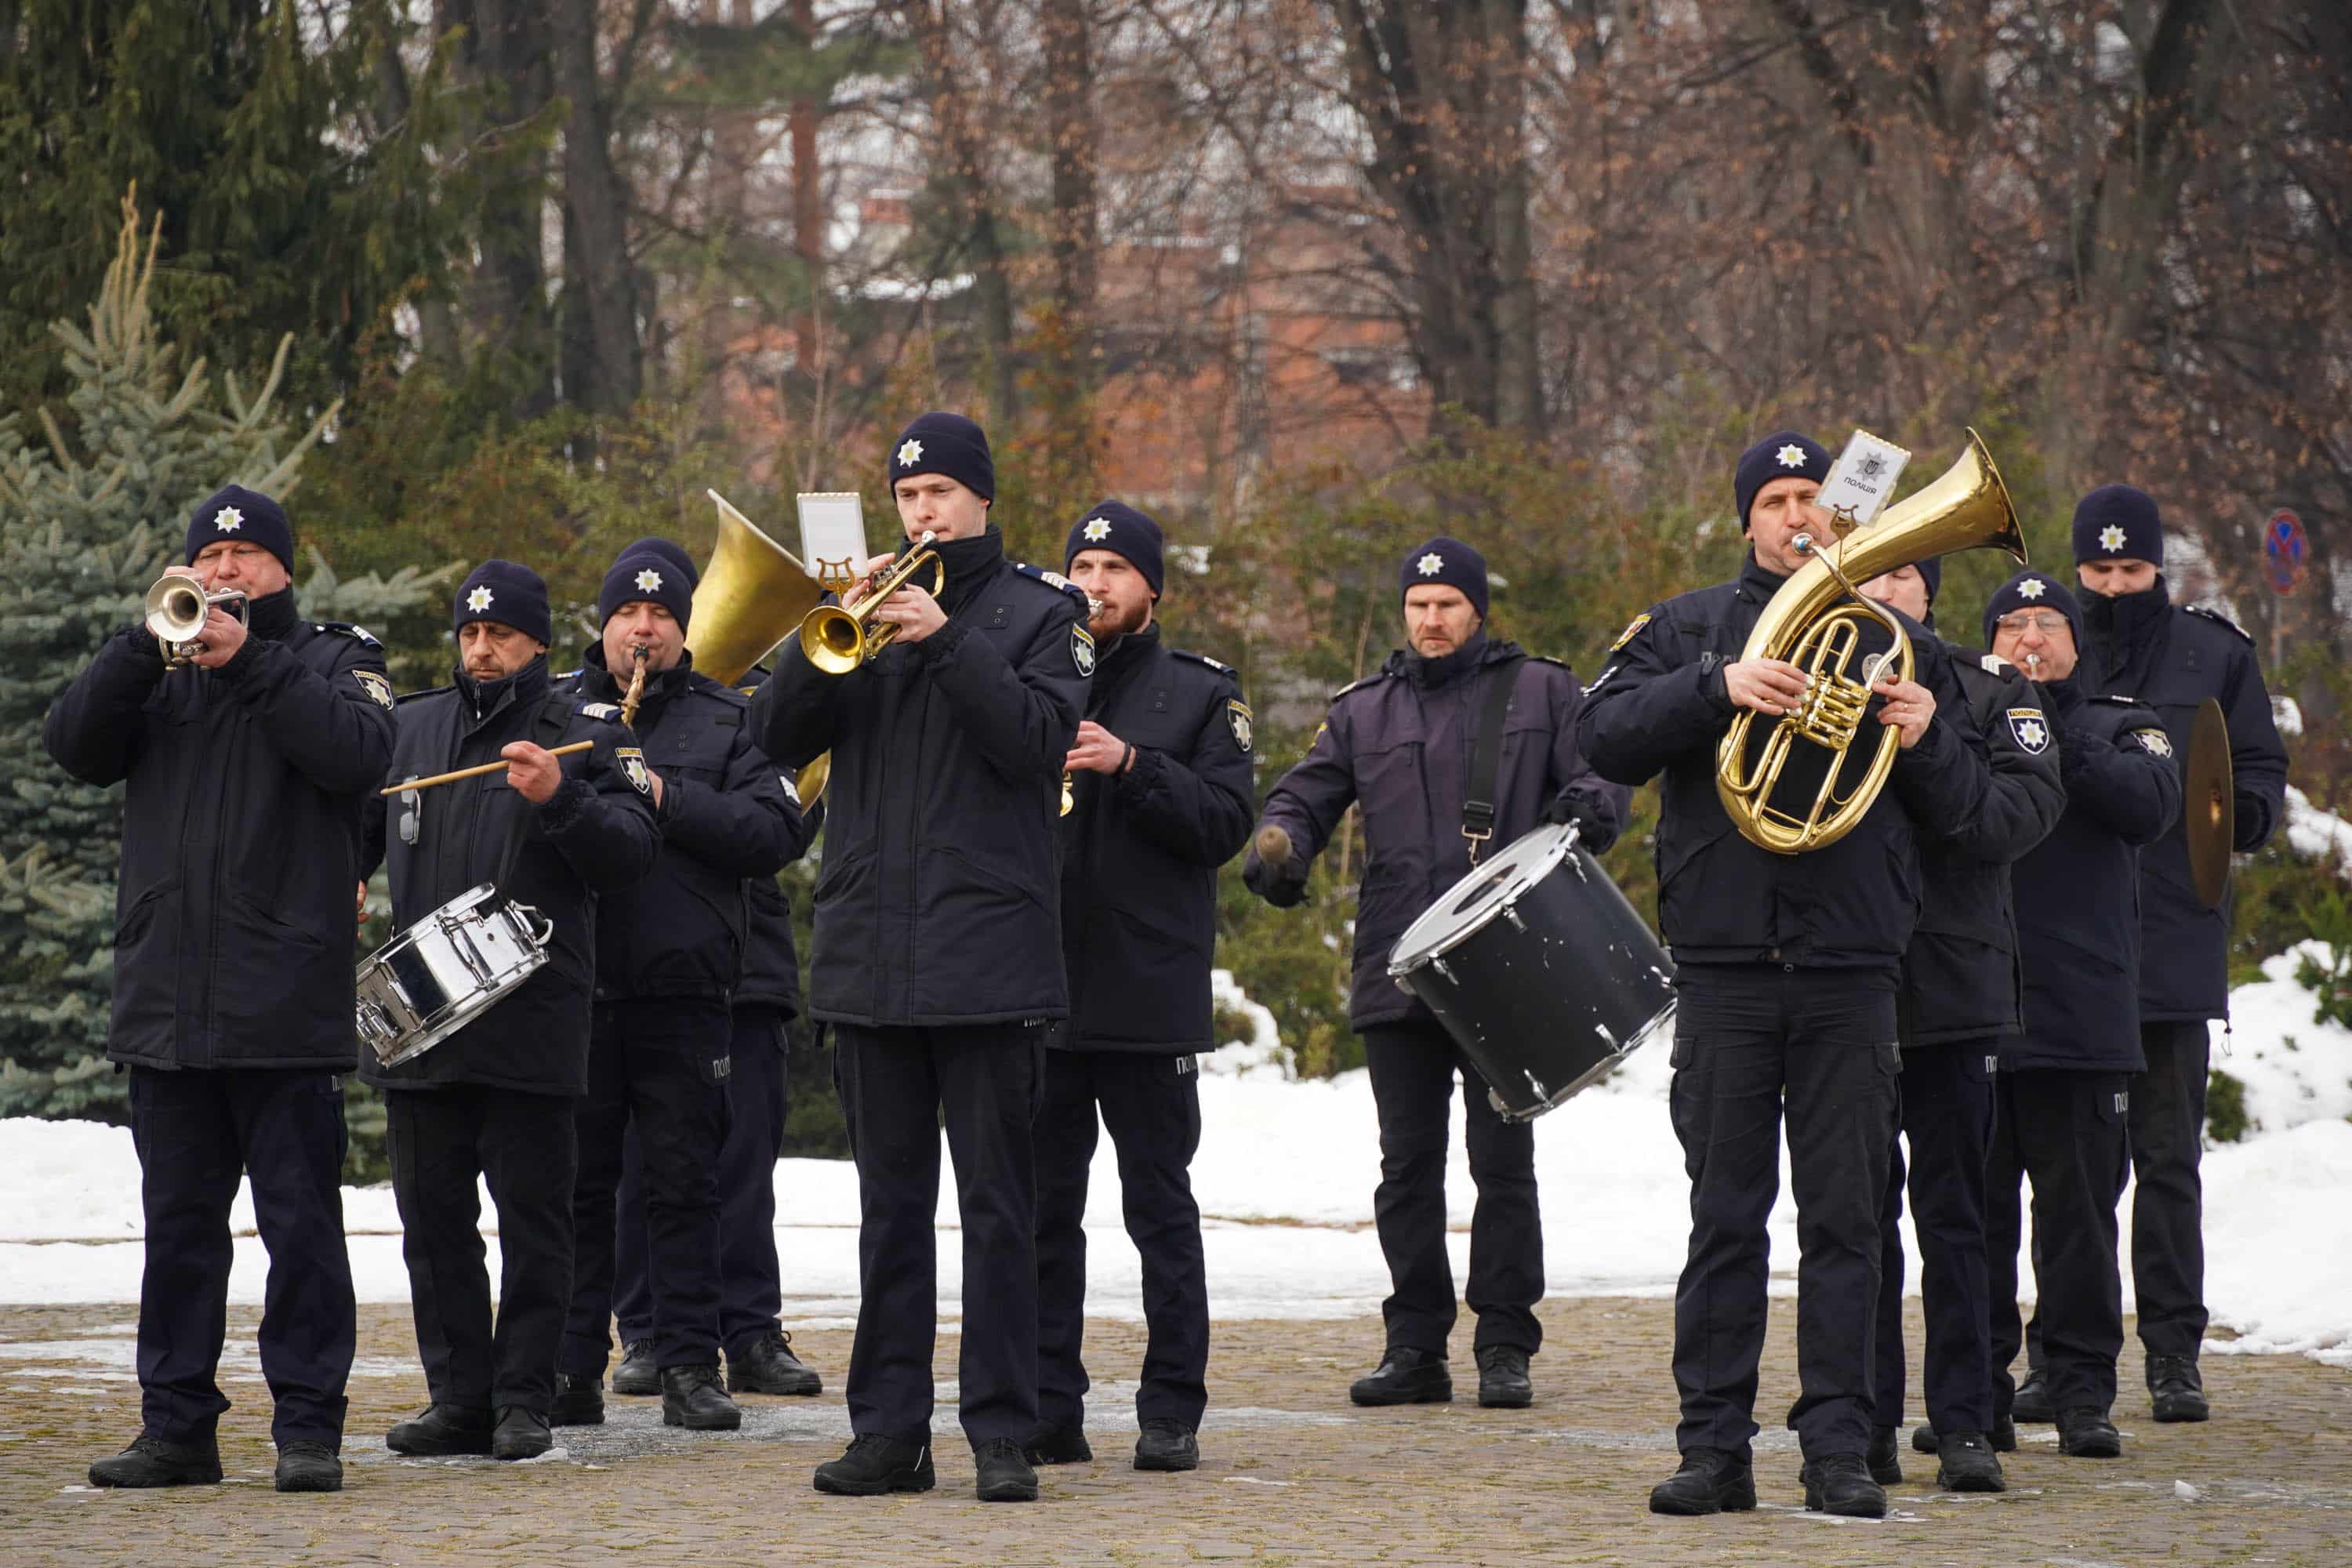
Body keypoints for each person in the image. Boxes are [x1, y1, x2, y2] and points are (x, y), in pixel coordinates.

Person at [1577, 433, 1995, 1521]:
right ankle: (1713, 1448)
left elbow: (1972, 821)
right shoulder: (1687, 628)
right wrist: (1715, 688)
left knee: (1848, 1222)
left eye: (1814, 496)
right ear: (1747, 520)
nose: (1799, 514)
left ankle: (1840, 1451)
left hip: (1855, 969)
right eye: (1776, 499)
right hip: (1723, 967)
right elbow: (1602, 734)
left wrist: (1930, 736)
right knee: (1724, 1217)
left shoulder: (1897, 642)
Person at [751, 412, 1089, 1503]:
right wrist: (826, 631)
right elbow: (769, 741)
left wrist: (945, 639)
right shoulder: (857, 616)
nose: (923, 512)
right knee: (889, 1215)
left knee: (998, 1209)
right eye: (907, 496)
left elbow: (1039, 744)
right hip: (872, 957)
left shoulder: (1046, 614)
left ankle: (1001, 1431)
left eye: (942, 492)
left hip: (987, 958)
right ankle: (889, 1433)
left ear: (983, 499)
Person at [45, 485, 394, 1494]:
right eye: (210, 554)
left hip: (282, 1003)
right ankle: (177, 1426)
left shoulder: (336, 660)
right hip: (169, 1002)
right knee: (180, 1229)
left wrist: (249, 659)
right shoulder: (156, 667)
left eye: (245, 555)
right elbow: (71, 747)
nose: (225, 568)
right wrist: (136, 645)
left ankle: (308, 1429)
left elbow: (358, 754)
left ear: (283, 568)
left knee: (301, 1230)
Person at [1241, 535, 1626, 1414]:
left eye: (1448, 603)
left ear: (1477, 609)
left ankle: (1503, 1342)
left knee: (1502, 1160)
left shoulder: (1541, 689)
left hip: (1507, 961)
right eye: (1418, 604)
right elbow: (1304, 795)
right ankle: (1414, 1344)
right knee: (1406, 1166)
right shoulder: (1362, 709)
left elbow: (1604, 768)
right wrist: (1282, 846)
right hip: (1398, 966)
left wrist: (1588, 808)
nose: (1432, 618)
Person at [363, 560, 660, 1463]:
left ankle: (525, 1396)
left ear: (537, 640)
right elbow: (352, 834)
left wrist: (561, 797)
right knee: (433, 1218)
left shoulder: (585, 731)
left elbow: (632, 853)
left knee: (538, 1217)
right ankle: (458, 1395)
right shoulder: (412, 727)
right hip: (424, 1020)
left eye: (500, 634)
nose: (482, 648)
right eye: (469, 632)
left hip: (533, 1014)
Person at [554, 539, 807, 1434]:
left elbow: (775, 829)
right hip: (577, 988)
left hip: (685, 988)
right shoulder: (556, 710)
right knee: (578, 1189)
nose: (644, 628)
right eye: (629, 612)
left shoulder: (732, 718)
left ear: (684, 625)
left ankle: (693, 1365)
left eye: (661, 614)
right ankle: (572, 1364)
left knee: (686, 1182)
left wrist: (660, 791)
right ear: (605, 622)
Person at [1030, 502, 1254, 1475]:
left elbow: (1226, 821)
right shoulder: (1030, 672)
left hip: (1148, 991)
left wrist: (1132, 763)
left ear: (1151, 586)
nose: (1095, 579)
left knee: (1158, 1208)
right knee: (1042, 1211)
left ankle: (1170, 1409)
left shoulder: (1202, 691)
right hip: (1038, 987)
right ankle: (1049, 1404)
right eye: (1081, 561)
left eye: (1116, 565)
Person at [2069, 485, 2288, 1424]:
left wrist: (2238, 813)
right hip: (2067, 948)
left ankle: (2172, 1353)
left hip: (2168, 942)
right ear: (2078, 569)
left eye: (2133, 568)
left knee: (2165, 1161)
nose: (2116, 585)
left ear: (2160, 565)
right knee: (2071, 1170)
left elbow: (2260, 773)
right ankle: (2065, 1355)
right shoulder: (2044, 645)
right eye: (2100, 569)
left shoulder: (2214, 654)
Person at [1855, 560, 2063, 1494]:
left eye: (1907, 570)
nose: (1888, 587)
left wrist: (1932, 735)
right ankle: (1861, 1415)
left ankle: (1966, 1416)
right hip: (1845, 985)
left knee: (1957, 1218)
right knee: (1853, 1219)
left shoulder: (1992, 691)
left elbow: (2011, 819)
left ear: (1931, 590)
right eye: (1873, 571)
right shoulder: (1803, 677)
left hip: (1951, 986)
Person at [1978, 569, 2180, 1459]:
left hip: (2085, 1015)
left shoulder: (2121, 721)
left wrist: (2048, 719)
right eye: (2013, 623)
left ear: (2076, 639)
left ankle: (2080, 1386)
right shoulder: (1965, 722)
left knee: (2080, 1220)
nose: (2030, 637)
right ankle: (1975, 1386)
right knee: (1974, 1221)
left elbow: (2148, 807)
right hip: (1979, 1014)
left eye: (2047, 622)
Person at [612, 671, 826, 1403]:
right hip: (642, 975)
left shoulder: (756, 714)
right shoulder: (594, 711)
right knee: (644, 1166)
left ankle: (751, 1332)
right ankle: (647, 1331)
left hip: (747, 966)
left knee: (743, 1165)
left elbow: (787, 825)